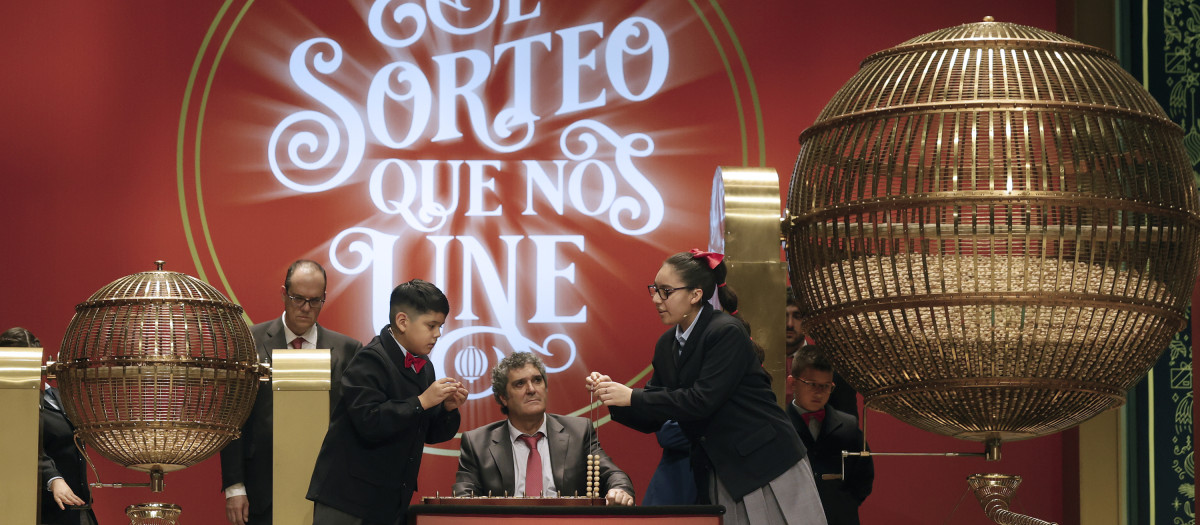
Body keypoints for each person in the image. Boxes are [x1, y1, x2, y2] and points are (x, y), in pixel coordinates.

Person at [589, 249, 827, 525]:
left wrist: (632, 396)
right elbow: (653, 413)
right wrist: (613, 397)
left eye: (666, 291)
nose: (656, 299)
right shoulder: (667, 344)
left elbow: (701, 400)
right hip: (721, 467)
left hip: (767, 462)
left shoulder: (725, 331)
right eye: (655, 290)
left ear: (695, 295)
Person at [307, 279, 467, 525]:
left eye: (440, 326)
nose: (438, 334)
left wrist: (447, 409)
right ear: (403, 321)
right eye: (431, 325)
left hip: (390, 500)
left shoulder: (424, 367)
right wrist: (422, 401)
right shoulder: (370, 359)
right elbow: (370, 422)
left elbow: (429, 433)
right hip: (348, 499)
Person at [220, 259, 363, 525]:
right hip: (263, 488)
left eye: (315, 300)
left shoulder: (348, 350)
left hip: (327, 492)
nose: (306, 308)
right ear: (284, 293)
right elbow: (232, 420)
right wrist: (234, 487)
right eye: (298, 298)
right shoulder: (249, 343)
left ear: (324, 298)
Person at [452, 352, 635, 505]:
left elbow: (612, 474)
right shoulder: (477, 443)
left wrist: (619, 489)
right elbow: (462, 498)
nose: (531, 389)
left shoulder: (578, 432)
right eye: (520, 384)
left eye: (537, 380)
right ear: (503, 398)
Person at [1, 327, 99, 525]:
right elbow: (24, 447)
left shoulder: (59, 396)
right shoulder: (7, 404)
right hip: (38, 511)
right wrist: (53, 479)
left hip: (76, 506)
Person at [786, 349, 873, 525]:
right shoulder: (779, 426)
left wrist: (842, 504)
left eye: (825, 386)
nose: (819, 392)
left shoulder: (848, 427)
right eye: (811, 384)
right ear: (792, 383)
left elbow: (864, 477)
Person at [786, 291, 856, 418]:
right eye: (784, 316)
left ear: (807, 321)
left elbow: (847, 425)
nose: (789, 324)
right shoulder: (759, 362)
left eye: (797, 316)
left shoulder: (834, 366)